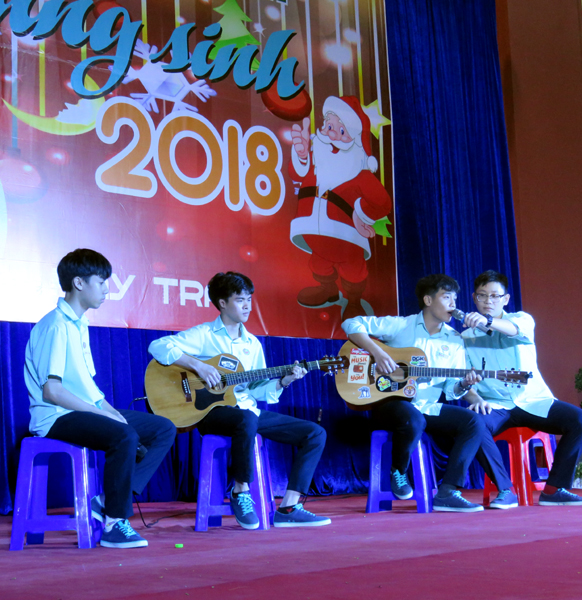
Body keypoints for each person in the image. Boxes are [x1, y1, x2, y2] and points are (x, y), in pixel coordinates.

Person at [148, 271, 331, 529]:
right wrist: (199, 366)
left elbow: (255, 389)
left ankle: (289, 507)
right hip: (210, 413)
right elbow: (158, 346)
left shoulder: (252, 344)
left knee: (315, 433)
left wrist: (284, 381)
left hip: (247, 411)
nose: (247, 306)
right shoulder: (204, 334)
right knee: (245, 419)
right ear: (222, 303)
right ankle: (240, 491)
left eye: (249, 299)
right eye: (240, 300)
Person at [24, 249, 177, 548]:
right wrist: (104, 416)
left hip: (81, 410)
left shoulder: (79, 325)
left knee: (163, 428)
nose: (107, 289)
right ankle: (114, 523)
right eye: (101, 281)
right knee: (123, 435)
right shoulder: (55, 326)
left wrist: (109, 411)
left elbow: (90, 390)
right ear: (79, 283)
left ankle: (108, 500)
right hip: (54, 416)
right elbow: (52, 391)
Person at [342, 274, 518, 512]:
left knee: (473, 421)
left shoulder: (454, 340)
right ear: (428, 300)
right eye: (446, 297)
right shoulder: (401, 325)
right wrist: (378, 353)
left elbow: (451, 390)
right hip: (390, 403)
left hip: (427, 407)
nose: (453, 304)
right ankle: (398, 471)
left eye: (455, 298)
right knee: (413, 419)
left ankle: (448, 491)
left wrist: (464, 384)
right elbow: (351, 323)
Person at [461, 270, 582, 506]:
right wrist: (475, 398)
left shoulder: (522, 319)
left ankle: (554, 489)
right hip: (496, 405)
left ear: (506, 299)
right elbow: (464, 381)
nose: (488, 301)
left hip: (534, 400)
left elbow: (513, 330)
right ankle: (505, 490)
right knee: (472, 423)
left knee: (580, 421)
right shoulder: (465, 338)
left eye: (494, 296)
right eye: (482, 295)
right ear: (474, 298)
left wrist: (487, 321)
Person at [289, 95, 393, 319]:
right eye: (329, 126)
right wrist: (301, 156)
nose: (332, 135)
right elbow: (296, 175)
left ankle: (353, 301)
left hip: (347, 241)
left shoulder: (360, 174)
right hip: (316, 234)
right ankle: (328, 290)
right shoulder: (317, 162)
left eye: (342, 131)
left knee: (353, 270)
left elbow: (383, 202)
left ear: (355, 140)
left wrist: (361, 214)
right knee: (319, 263)